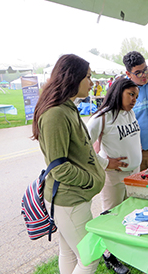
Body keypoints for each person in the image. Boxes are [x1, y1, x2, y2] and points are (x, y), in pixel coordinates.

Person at [32, 54, 105, 273]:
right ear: (73, 78)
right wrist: (91, 180)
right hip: (69, 200)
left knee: (70, 252)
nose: (92, 83)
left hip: (71, 198)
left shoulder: (67, 107)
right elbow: (60, 166)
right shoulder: (55, 113)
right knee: (90, 256)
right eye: (88, 77)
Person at [87, 78, 140, 274]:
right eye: (131, 94)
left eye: (136, 95)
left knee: (127, 214)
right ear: (118, 92)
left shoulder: (130, 113)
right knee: (111, 215)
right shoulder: (102, 117)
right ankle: (109, 255)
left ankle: (123, 250)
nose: (134, 99)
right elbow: (83, 146)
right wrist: (106, 162)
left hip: (132, 174)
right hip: (113, 176)